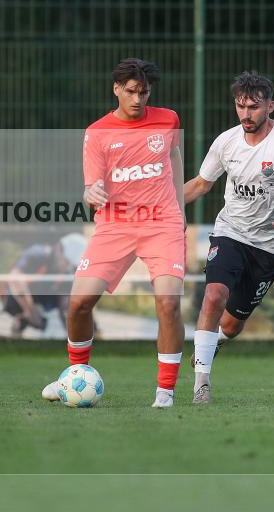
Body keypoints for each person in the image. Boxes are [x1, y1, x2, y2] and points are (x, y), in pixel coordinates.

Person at [42, 58, 187, 408]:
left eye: (144, 92)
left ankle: (164, 393)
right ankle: (75, 377)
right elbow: (91, 186)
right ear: (117, 89)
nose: (138, 99)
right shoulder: (97, 133)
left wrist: (180, 210)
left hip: (161, 224)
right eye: (132, 92)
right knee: (78, 304)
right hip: (115, 225)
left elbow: (176, 161)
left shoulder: (168, 120)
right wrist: (90, 194)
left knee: (168, 304)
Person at [184, 71, 274, 404]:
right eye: (240, 106)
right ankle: (201, 383)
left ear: (270, 106)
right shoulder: (226, 142)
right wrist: (163, 205)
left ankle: (215, 341)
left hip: (271, 245)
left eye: (254, 107)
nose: (246, 114)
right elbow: (201, 184)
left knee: (232, 325)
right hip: (231, 232)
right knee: (213, 296)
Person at [1, 233, 87, 338]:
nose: (66, 266)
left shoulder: (68, 272)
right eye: (66, 261)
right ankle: (22, 321)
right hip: (14, 297)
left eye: (70, 264)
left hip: (46, 301)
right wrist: (31, 311)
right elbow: (15, 278)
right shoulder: (38, 254)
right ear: (59, 250)